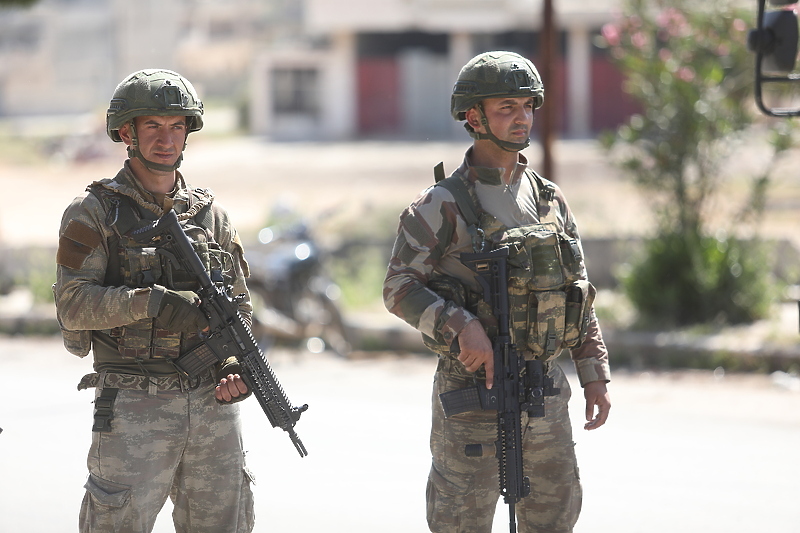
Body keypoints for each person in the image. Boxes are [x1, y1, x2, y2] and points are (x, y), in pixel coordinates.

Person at [383, 51, 612, 533]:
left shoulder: (548, 199)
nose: (521, 117)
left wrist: (594, 373)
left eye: (527, 106)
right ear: (473, 116)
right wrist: (460, 325)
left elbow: (578, 291)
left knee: (555, 517)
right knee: (461, 521)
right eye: (506, 107)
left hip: (545, 390)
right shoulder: (441, 204)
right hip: (473, 392)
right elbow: (399, 288)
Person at [53, 69, 255, 533]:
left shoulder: (211, 216)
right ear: (127, 133)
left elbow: (240, 308)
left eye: (177, 125)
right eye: (153, 126)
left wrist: (232, 365)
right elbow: (72, 304)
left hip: (212, 410)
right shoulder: (94, 213)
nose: (167, 139)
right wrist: (152, 301)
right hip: (133, 407)